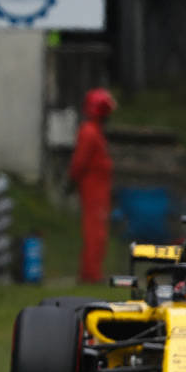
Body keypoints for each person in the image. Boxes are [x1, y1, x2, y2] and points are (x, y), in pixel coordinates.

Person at [70, 88, 117, 284]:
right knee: (94, 233)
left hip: (98, 189)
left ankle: (92, 271)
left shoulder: (94, 132)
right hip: (93, 189)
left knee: (98, 232)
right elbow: (80, 161)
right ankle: (91, 274)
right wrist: (72, 180)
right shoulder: (90, 132)